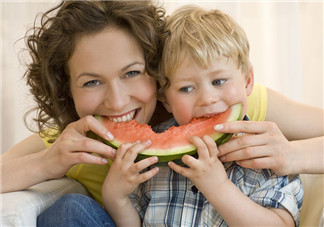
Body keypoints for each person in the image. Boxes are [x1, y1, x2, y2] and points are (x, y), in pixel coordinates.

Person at [0, 0, 321, 226]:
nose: (116, 100)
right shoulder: (72, 139)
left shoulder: (231, 106)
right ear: (66, 89)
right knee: (68, 209)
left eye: (132, 73)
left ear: (157, 69)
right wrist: (47, 163)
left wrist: (291, 155)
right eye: (92, 82)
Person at [102, 5, 303, 226]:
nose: (207, 98)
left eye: (218, 82)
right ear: (166, 100)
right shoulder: (150, 157)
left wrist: (218, 188)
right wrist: (115, 198)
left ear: (247, 81)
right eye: (186, 88)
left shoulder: (266, 155)